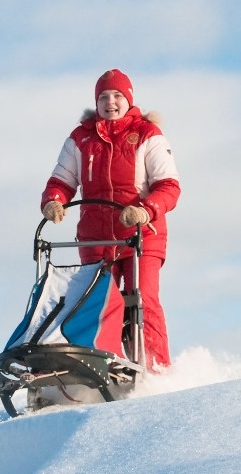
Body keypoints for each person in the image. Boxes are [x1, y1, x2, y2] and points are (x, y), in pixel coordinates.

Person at [40, 68, 181, 369]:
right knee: (95, 304)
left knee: (142, 299)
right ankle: (98, 367)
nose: (111, 102)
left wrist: (146, 210)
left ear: (129, 99)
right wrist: (54, 201)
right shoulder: (81, 139)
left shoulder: (147, 134)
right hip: (96, 239)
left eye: (117, 95)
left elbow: (169, 186)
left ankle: (157, 371)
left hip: (141, 235)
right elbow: (61, 181)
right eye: (104, 96)